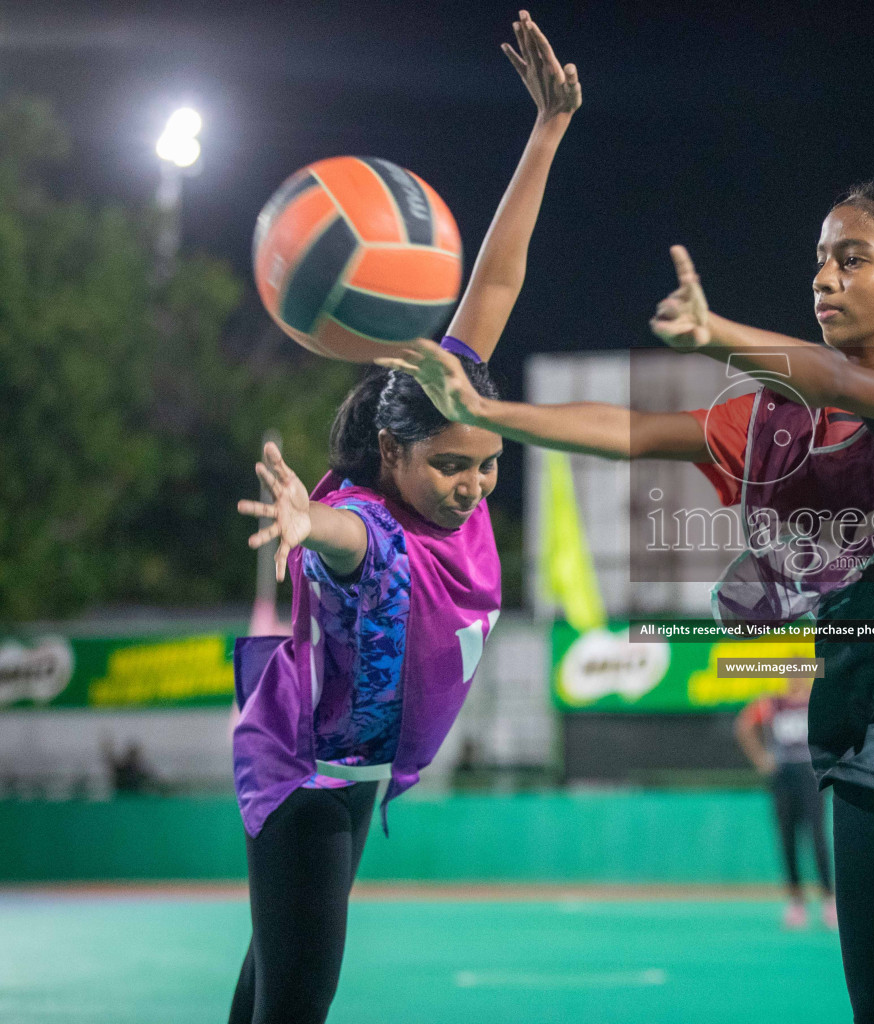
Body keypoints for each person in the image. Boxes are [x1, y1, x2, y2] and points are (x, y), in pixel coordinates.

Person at [383, 183, 874, 1024]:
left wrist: (720, 334)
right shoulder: (783, 421)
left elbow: (843, 379)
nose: (824, 279)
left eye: (852, 260)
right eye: (818, 262)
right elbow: (636, 432)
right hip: (870, 753)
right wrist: (487, 411)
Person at [227, 14, 579, 1023]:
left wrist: (548, 128)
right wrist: (304, 525)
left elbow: (496, 280)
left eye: (486, 467)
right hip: (307, 779)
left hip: (345, 767)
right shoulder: (366, 526)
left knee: (271, 976)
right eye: (450, 468)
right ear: (391, 454)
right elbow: (344, 544)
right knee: (300, 994)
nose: (471, 485)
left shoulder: (451, 402)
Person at [735, 675, 836, 929]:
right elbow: (743, 726)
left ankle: (828, 899)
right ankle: (796, 901)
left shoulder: (815, 702)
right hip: (783, 776)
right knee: (787, 838)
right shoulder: (773, 703)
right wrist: (761, 759)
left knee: (817, 838)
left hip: (810, 775)